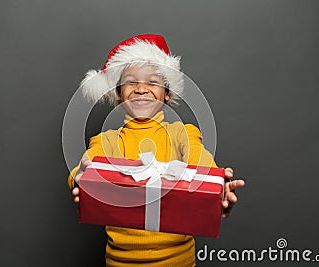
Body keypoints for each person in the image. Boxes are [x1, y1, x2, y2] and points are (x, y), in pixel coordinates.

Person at [68, 34, 245, 266]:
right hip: (120, 261)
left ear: (168, 93)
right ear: (119, 95)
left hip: (179, 261)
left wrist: (215, 189)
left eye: (152, 82)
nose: (141, 89)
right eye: (131, 82)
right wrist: (82, 175)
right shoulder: (107, 140)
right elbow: (84, 167)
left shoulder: (183, 133)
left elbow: (200, 159)